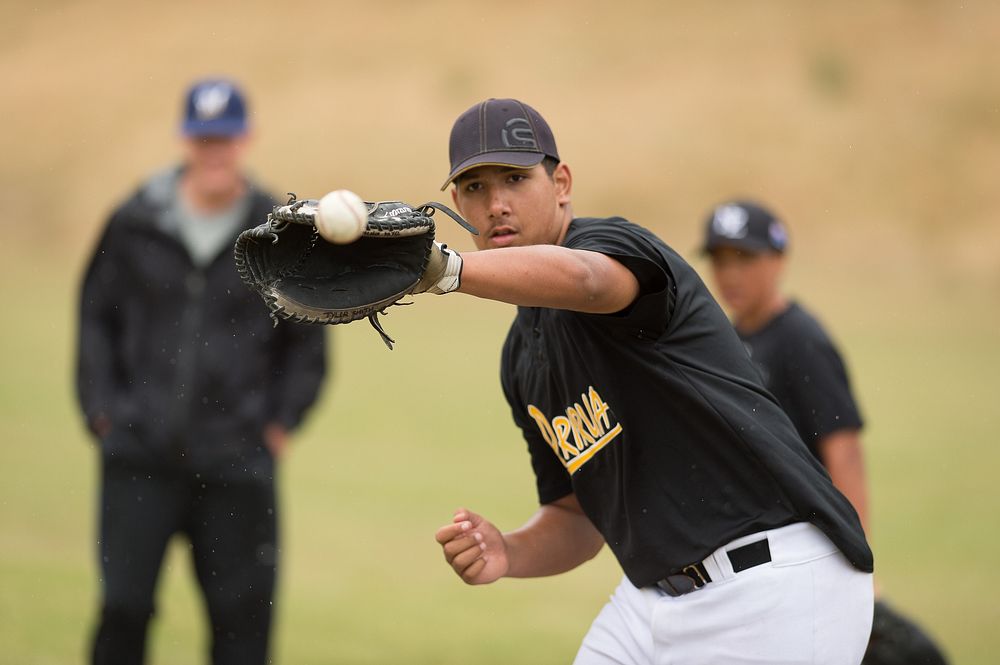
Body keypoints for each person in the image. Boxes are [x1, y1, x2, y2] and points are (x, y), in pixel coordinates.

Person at [425, 98, 874, 664]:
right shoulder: (521, 357)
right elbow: (576, 519)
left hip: (774, 584)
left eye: (515, 178)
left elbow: (588, 283)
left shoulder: (614, 246)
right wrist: (508, 552)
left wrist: (448, 271)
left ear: (561, 182)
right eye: (473, 187)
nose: (495, 203)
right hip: (652, 603)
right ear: (456, 204)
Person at [76, 78, 327, 665]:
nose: (215, 150)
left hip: (237, 462)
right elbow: (95, 320)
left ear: (247, 138)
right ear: (185, 139)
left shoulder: (277, 235)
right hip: (139, 456)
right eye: (203, 138)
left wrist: (280, 424)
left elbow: (308, 340)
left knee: (242, 627)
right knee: (124, 610)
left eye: (226, 137)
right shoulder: (134, 221)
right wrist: (103, 413)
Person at [700, 199, 949, 665]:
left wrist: (859, 571)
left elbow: (845, 453)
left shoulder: (801, 339)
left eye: (745, 258)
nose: (730, 274)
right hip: (768, 558)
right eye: (720, 259)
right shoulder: (732, 341)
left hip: (812, 554)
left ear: (779, 259)